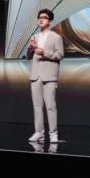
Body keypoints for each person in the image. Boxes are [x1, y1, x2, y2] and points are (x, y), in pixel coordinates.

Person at [26, 8, 64, 143]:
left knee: (50, 106)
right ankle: (39, 132)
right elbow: (28, 57)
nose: (41, 19)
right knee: (37, 106)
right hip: (35, 76)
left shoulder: (56, 37)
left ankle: (53, 134)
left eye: (44, 17)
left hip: (49, 76)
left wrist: (45, 53)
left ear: (50, 21)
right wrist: (30, 48)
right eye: (39, 17)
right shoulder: (34, 37)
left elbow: (60, 55)